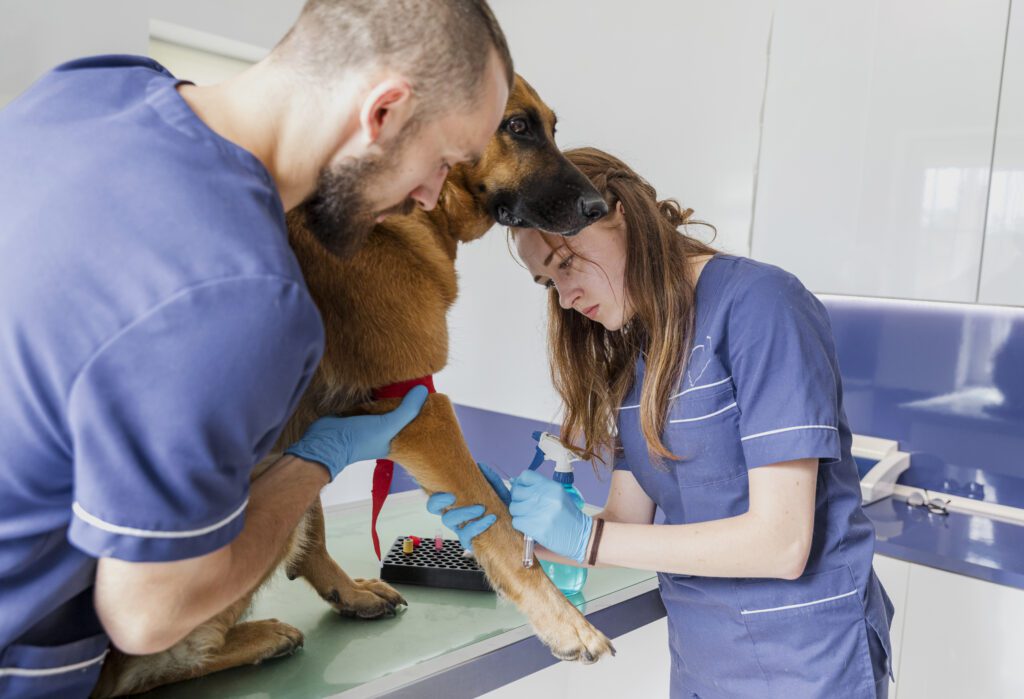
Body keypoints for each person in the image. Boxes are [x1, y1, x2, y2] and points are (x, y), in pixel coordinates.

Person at [0, 1, 513, 696]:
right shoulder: (246, 294)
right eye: (441, 162)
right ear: (384, 113)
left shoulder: (91, 89)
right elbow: (147, 616)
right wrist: (313, 464)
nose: (429, 197)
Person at [429, 147, 894, 698]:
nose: (567, 296)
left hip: (806, 658)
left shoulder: (761, 305)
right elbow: (627, 522)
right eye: (548, 283)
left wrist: (584, 537)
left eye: (567, 262)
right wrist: (514, 529)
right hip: (702, 656)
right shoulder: (638, 347)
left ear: (617, 212)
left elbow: (781, 544)